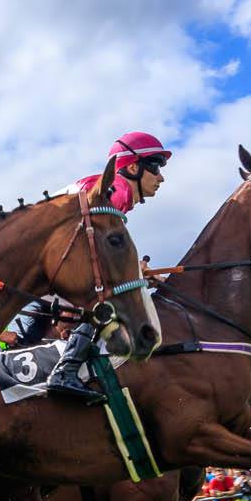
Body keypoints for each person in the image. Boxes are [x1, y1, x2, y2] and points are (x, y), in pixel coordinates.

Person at [40, 133, 171, 401]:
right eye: (156, 166)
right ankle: (66, 370)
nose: (161, 177)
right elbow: (98, 251)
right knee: (109, 296)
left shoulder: (115, 191)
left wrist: (135, 269)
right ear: (133, 167)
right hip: (51, 262)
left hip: (49, 261)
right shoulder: (118, 189)